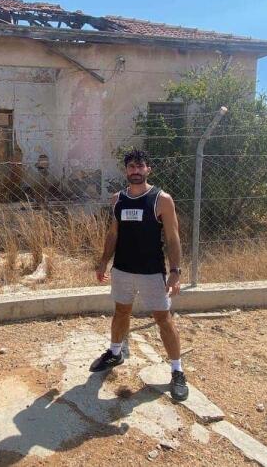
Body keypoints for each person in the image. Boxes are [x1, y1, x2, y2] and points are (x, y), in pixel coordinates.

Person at [91, 149, 188, 401]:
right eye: (131, 166)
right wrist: (103, 262)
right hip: (122, 269)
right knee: (121, 312)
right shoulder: (117, 200)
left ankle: (177, 370)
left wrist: (176, 271)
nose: (135, 170)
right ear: (126, 171)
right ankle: (115, 353)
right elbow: (113, 234)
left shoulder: (161, 199)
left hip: (151, 272)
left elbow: (173, 236)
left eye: (140, 166)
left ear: (148, 170)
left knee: (163, 319)